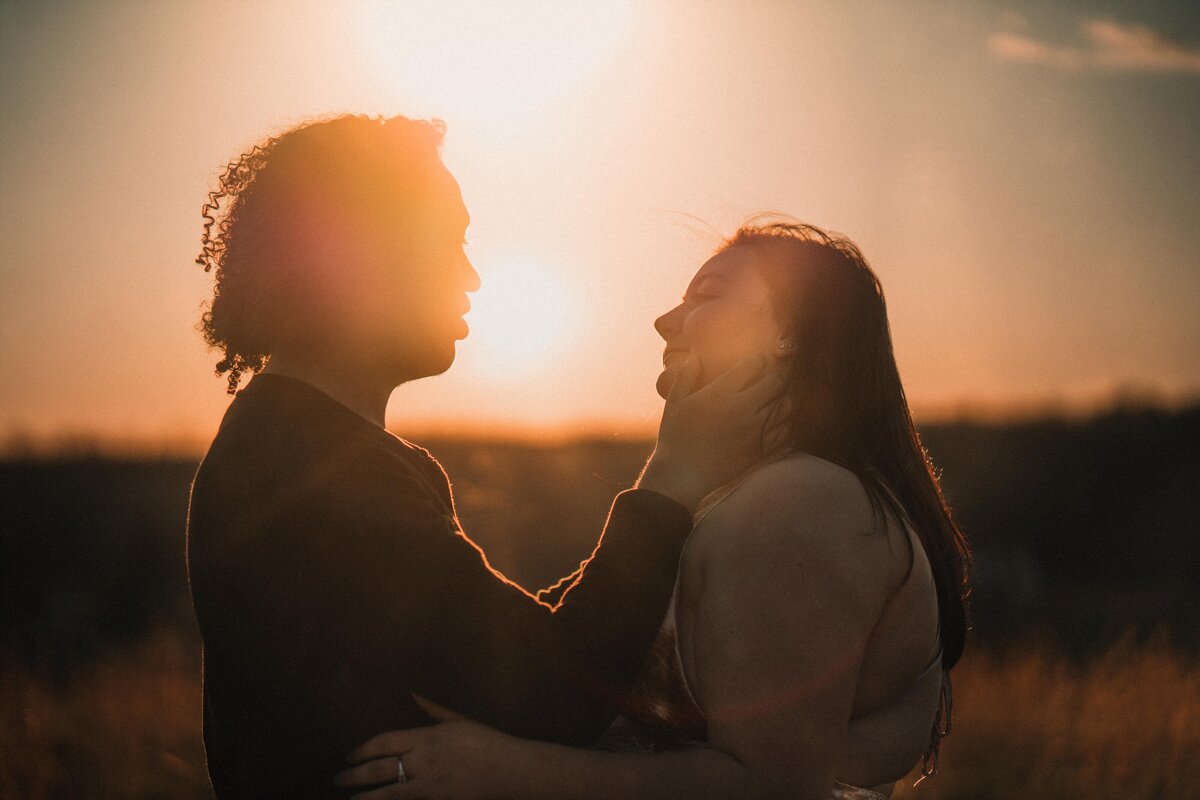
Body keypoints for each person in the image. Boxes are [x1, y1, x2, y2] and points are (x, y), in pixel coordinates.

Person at [185, 115, 781, 799]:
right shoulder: (311, 469)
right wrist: (676, 471)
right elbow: (550, 693)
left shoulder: (306, 446)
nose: (470, 275)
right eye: (450, 241)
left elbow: (504, 652)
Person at [336, 221, 971, 799]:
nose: (665, 322)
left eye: (708, 296)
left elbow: (775, 787)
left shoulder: (801, 501)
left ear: (788, 331)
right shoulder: (757, 498)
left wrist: (504, 771)